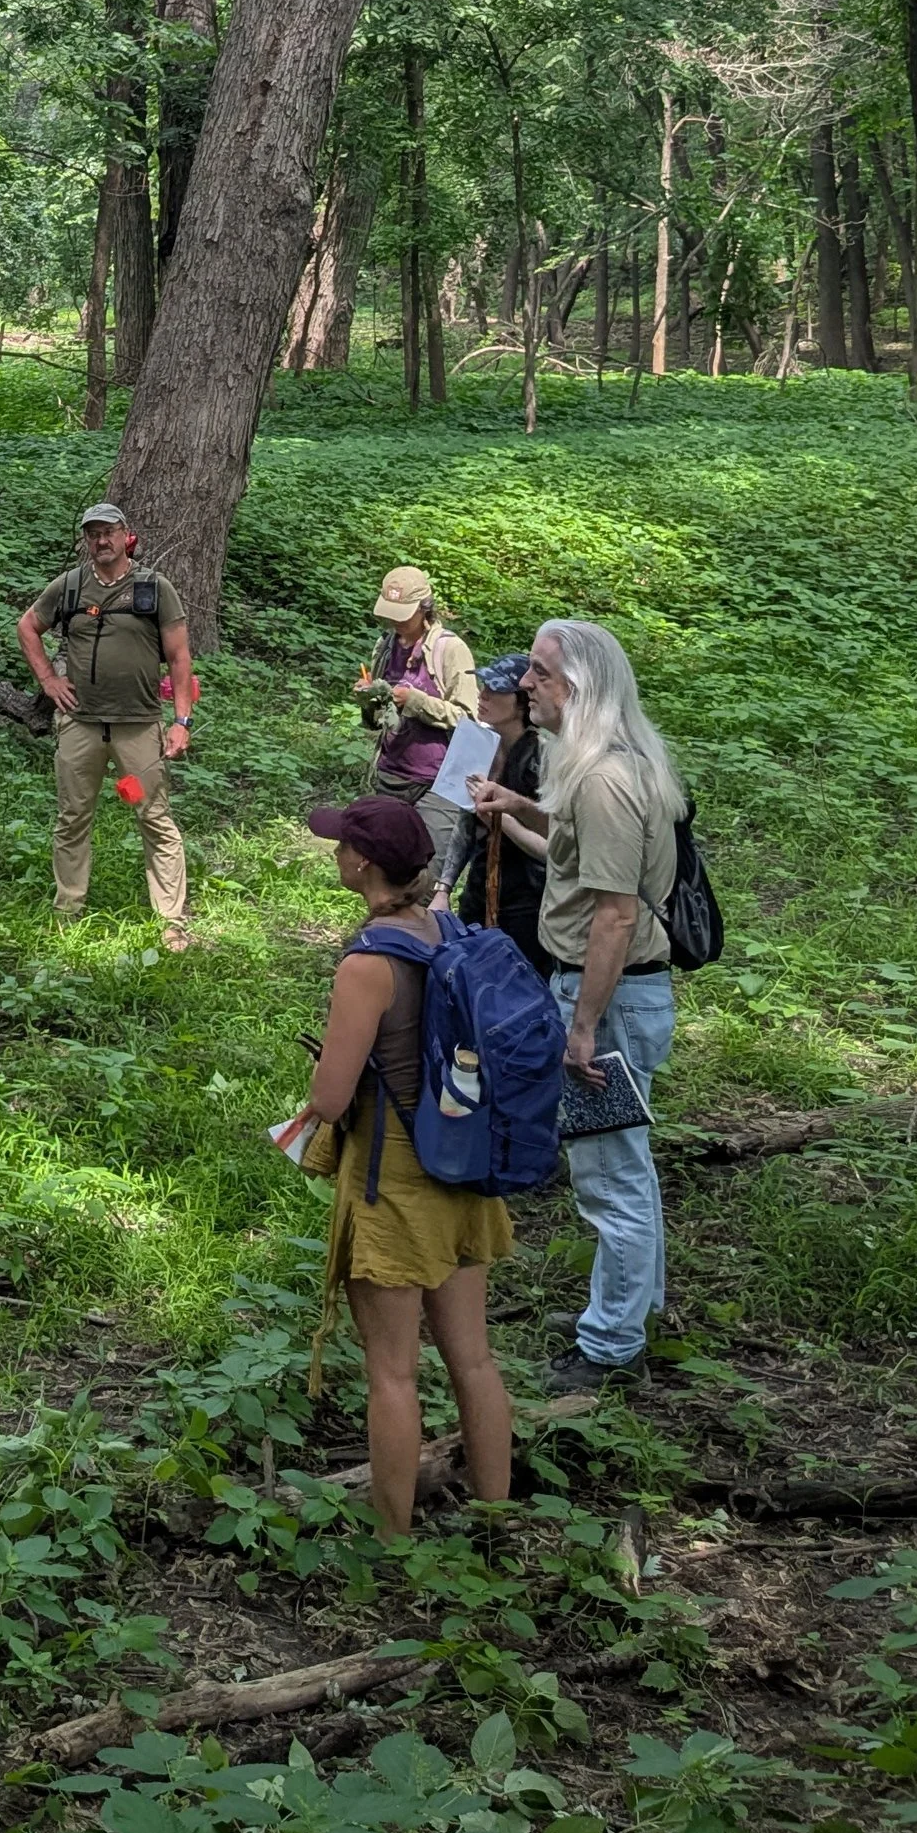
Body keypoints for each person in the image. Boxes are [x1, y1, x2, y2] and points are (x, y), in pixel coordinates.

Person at [300, 794, 514, 1536]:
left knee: (391, 1370)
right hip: (465, 1160)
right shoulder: (447, 928)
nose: (334, 853)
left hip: (392, 1175)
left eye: (340, 845)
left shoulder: (368, 963)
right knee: (474, 1359)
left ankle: (392, 1540)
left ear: (362, 862)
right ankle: (496, 1515)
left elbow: (330, 1096)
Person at [513, 617, 683, 1391]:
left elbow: (614, 913)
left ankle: (611, 1345)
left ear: (577, 685)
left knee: (609, 1176)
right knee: (625, 1166)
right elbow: (579, 868)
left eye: (541, 673)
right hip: (604, 991)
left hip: (605, 997)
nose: (525, 684)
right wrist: (512, 817)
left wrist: (582, 1023)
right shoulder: (599, 767)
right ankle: (630, 1305)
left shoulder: (607, 779)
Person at [17, 502, 196, 950]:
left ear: (125, 535)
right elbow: (28, 626)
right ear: (86, 539)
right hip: (80, 726)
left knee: (152, 816)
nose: (101, 540)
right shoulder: (71, 586)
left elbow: (179, 658)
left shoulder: (155, 588)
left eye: (108, 531)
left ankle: (171, 919)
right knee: (73, 817)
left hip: (137, 728)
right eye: (93, 533)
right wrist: (48, 679)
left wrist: (181, 721)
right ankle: (68, 908)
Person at [445, 649, 552, 977]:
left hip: (530, 898)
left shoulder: (543, 757)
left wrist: (503, 819)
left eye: (496, 689)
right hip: (480, 888)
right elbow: (466, 819)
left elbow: (557, 840)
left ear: (521, 702)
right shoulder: (477, 742)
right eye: (483, 686)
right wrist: (443, 888)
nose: (484, 695)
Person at [356, 566, 480, 822]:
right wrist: (368, 701)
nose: (395, 621)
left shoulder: (450, 649)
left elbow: (469, 718)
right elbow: (378, 722)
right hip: (390, 773)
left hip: (438, 781)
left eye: (403, 614)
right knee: (384, 857)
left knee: (430, 860)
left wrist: (415, 701)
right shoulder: (385, 646)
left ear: (424, 607)